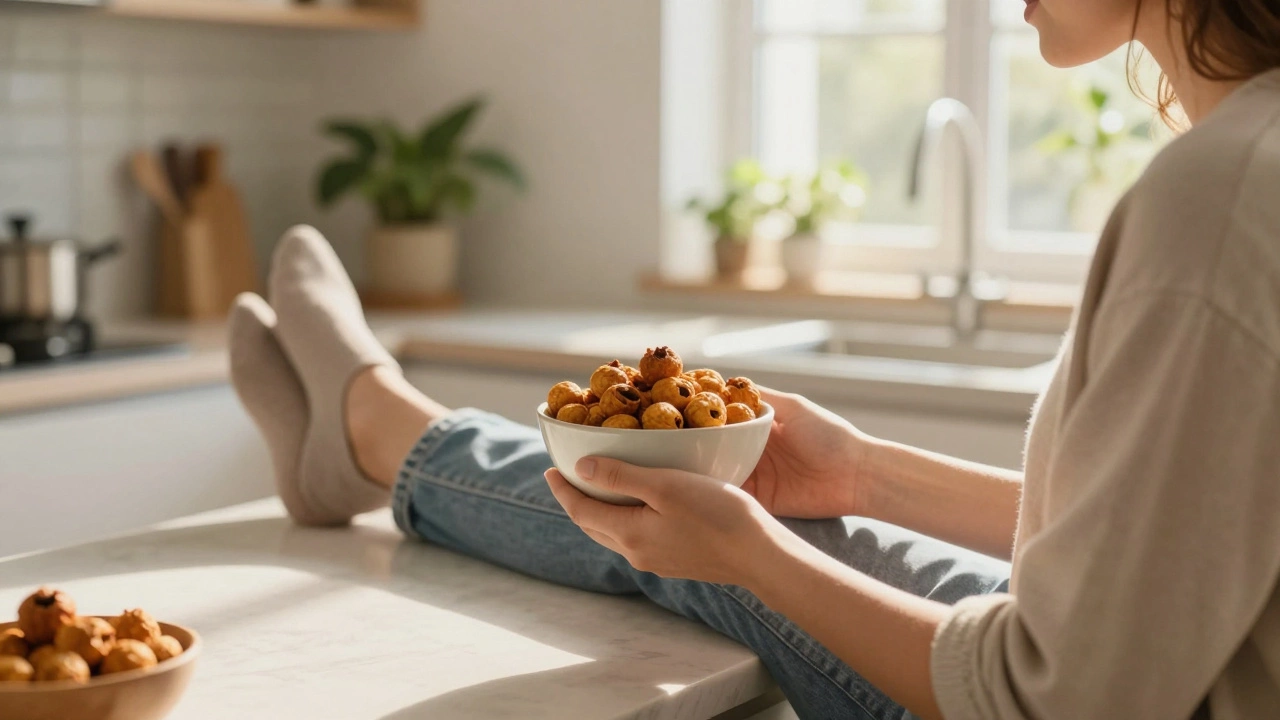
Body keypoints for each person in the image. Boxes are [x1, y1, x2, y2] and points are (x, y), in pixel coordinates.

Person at [228, 1, 1280, 717]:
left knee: (706, 538)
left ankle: (375, 430)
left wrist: (748, 556)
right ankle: (377, 432)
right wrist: (866, 474)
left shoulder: (1218, 199)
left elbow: (1051, 701)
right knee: (761, 517)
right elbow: (1169, 535)